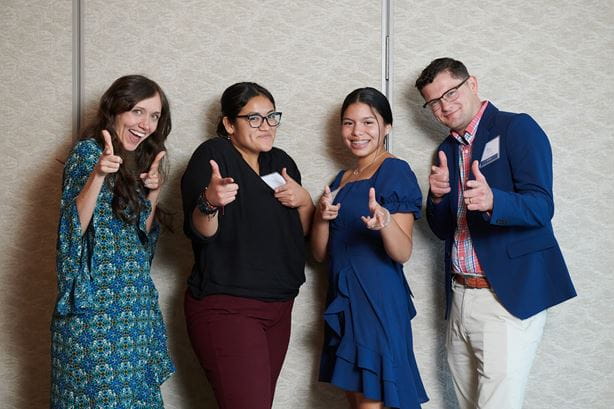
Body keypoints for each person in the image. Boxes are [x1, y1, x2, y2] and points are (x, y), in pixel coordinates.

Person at [415, 57, 577, 409]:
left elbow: (541, 205)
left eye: (451, 92)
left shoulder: (516, 128)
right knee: (465, 403)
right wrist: (438, 197)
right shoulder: (445, 150)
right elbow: (443, 230)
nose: (445, 105)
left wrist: (494, 202)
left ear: (472, 84)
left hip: (506, 297)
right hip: (459, 295)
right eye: (434, 102)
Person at [181, 82, 314, 409]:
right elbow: (200, 231)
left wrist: (304, 201)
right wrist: (210, 202)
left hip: (279, 306)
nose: (266, 126)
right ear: (229, 123)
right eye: (254, 118)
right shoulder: (213, 156)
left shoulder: (280, 162)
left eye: (271, 117)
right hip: (229, 306)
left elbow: (301, 237)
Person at [50, 75, 175, 408]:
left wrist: (154, 189)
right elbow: (70, 231)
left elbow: (140, 248)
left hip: (133, 317)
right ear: (115, 110)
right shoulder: (90, 154)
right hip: (96, 319)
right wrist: (98, 175)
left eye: (154, 115)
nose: (146, 124)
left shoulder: (133, 163)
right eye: (137, 111)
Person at [311, 87, 428, 409]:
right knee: (357, 399)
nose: (357, 132)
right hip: (343, 297)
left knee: (370, 401)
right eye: (348, 123)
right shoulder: (341, 178)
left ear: (386, 127)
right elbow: (320, 254)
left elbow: (402, 253)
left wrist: (386, 223)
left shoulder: (396, 171)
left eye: (368, 122)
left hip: (376, 297)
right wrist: (322, 218)